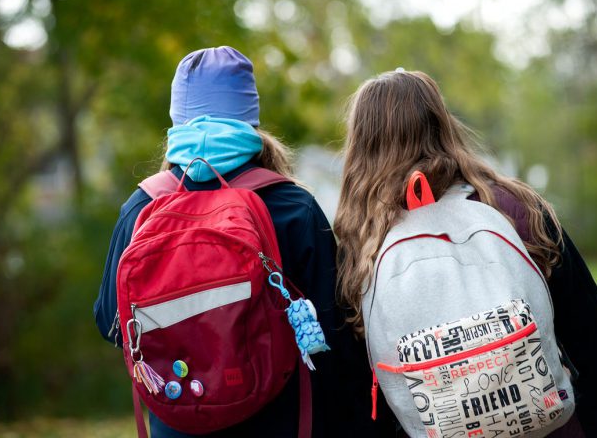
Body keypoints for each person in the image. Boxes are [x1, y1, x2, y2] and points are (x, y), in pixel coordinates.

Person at [94, 46, 390, 437]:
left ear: (177, 121)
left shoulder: (142, 208)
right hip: (281, 422)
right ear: (250, 120)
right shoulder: (292, 206)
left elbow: (110, 321)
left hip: (178, 418)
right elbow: (335, 337)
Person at [333, 69, 597, 437]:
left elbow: (355, 386)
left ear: (362, 143)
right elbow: (592, 333)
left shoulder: (360, 245)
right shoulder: (515, 209)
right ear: (442, 125)